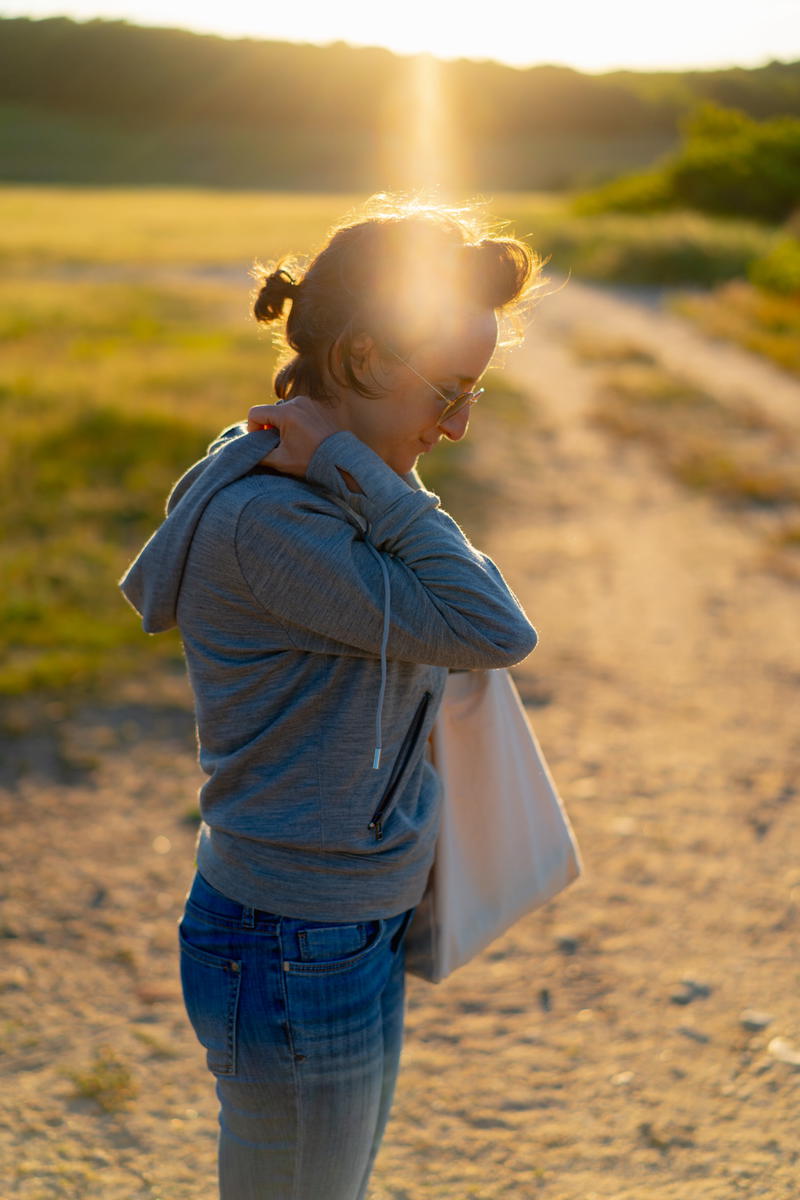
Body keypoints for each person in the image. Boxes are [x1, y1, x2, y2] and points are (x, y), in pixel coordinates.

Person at [120, 196, 542, 1200]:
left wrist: (358, 468)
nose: (458, 425)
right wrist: (360, 466)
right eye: (448, 391)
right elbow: (494, 629)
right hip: (297, 936)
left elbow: (464, 606)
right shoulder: (275, 523)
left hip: (330, 925)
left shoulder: (326, 491)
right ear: (356, 362)